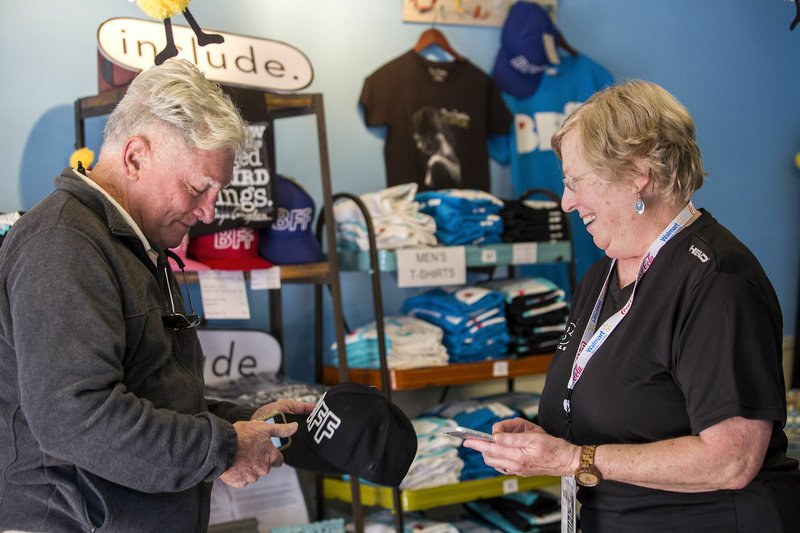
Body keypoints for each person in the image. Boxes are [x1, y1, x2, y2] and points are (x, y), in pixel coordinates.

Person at [464, 80, 800, 532]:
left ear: (638, 172)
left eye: (574, 181)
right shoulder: (602, 276)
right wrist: (546, 444)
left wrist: (576, 458)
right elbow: (619, 417)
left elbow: (731, 460)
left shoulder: (717, 281)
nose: (566, 202)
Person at [0, 59, 314, 532]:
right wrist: (225, 448)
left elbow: (146, 392)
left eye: (217, 191)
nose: (208, 212)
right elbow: (76, 416)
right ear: (135, 157)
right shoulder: (64, 243)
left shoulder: (130, 242)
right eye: (197, 187)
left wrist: (243, 422)